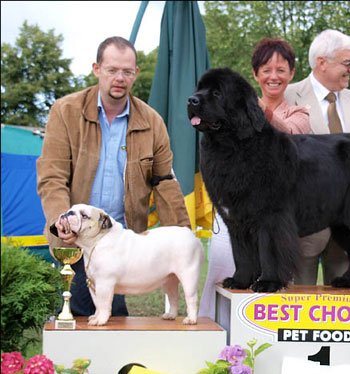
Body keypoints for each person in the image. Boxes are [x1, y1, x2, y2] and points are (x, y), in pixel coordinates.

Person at [37, 36, 190, 317]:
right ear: (97, 69)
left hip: (124, 243)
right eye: (112, 70)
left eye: (127, 72)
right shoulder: (64, 111)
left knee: (114, 322)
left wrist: (183, 232)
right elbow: (52, 176)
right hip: (78, 240)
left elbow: (165, 182)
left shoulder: (152, 121)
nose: (120, 78)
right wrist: (62, 224)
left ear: (135, 74)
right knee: (80, 316)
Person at [198, 38, 310, 318]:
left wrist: (255, 108)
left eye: (281, 70)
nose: (273, 76)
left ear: (291, 74)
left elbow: (290, 134)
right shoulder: (232, 108)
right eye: (266, 69)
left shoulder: (298, 112)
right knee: (225, 282)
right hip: (234, 217)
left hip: (273, 222)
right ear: (256, 74)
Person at [284, 29, 350, 286]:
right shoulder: (288, 96)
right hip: (304, 231)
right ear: (322, 62)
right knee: (299, 307)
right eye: (348, 63)